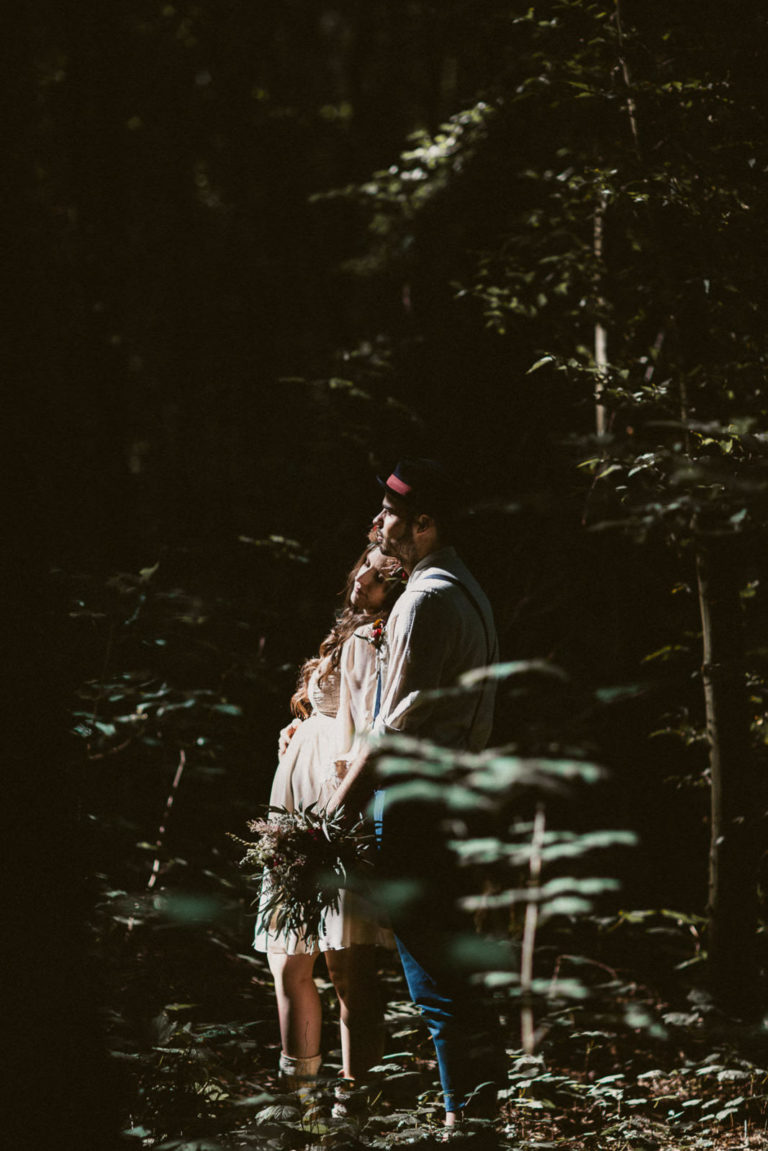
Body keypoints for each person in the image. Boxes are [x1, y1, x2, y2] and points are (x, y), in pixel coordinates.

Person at [327, 458, 502, 1127]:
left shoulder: (426, 601)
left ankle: (465, 1122)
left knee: (434, 973)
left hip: (414, 803)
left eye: (390, 514)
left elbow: (390, 727)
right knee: (454, 959)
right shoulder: (469, 590)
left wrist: (334, 808)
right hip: (452, 796)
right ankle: (481, 1112)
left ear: (424, 523)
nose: (378, 523)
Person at [253, 543, 406, 1094]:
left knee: (346, 967)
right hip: (301, 793)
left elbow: (367, 730)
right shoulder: (351, 634)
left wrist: (339, 807)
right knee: (290, 957)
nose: (363, 572)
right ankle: (298, 1099)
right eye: (363, 563)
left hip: (331, 802)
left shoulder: (377, 638)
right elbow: (331, 714)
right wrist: (298, 731)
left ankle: (350, 1102)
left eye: (379, 570)